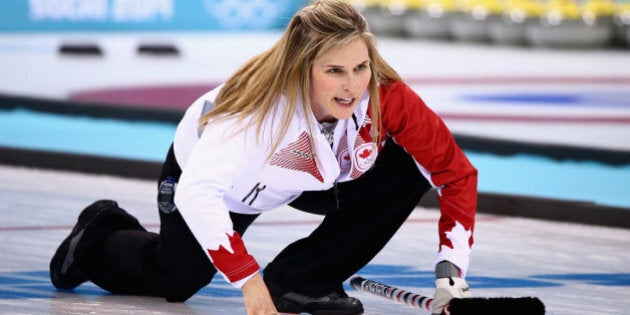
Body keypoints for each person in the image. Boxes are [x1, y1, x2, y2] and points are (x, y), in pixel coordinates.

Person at [49, 1, 477, 314]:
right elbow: (199, 193)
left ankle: (300, 279)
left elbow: (454, 173)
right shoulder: (254, 117)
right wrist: (250, 283)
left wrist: (450, 267)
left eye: (360, 67)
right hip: (225, 184)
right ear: (302, 67)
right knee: (176, 280)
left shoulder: (386, 98)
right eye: (334, 71)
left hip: (313, 176)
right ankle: (100, 232)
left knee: (406, 170)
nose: (352, 86)